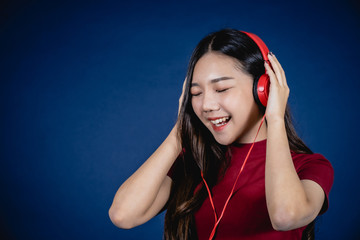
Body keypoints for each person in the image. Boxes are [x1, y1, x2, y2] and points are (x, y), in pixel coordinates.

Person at [108, 29, 334, 240]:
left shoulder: (310, 166)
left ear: (263, 89)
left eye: (221, 89)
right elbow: (123, 215)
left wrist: (274, 117)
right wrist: (181, 130)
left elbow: (287, 216)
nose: (206, 105)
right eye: (196, 93)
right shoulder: (193, 161)